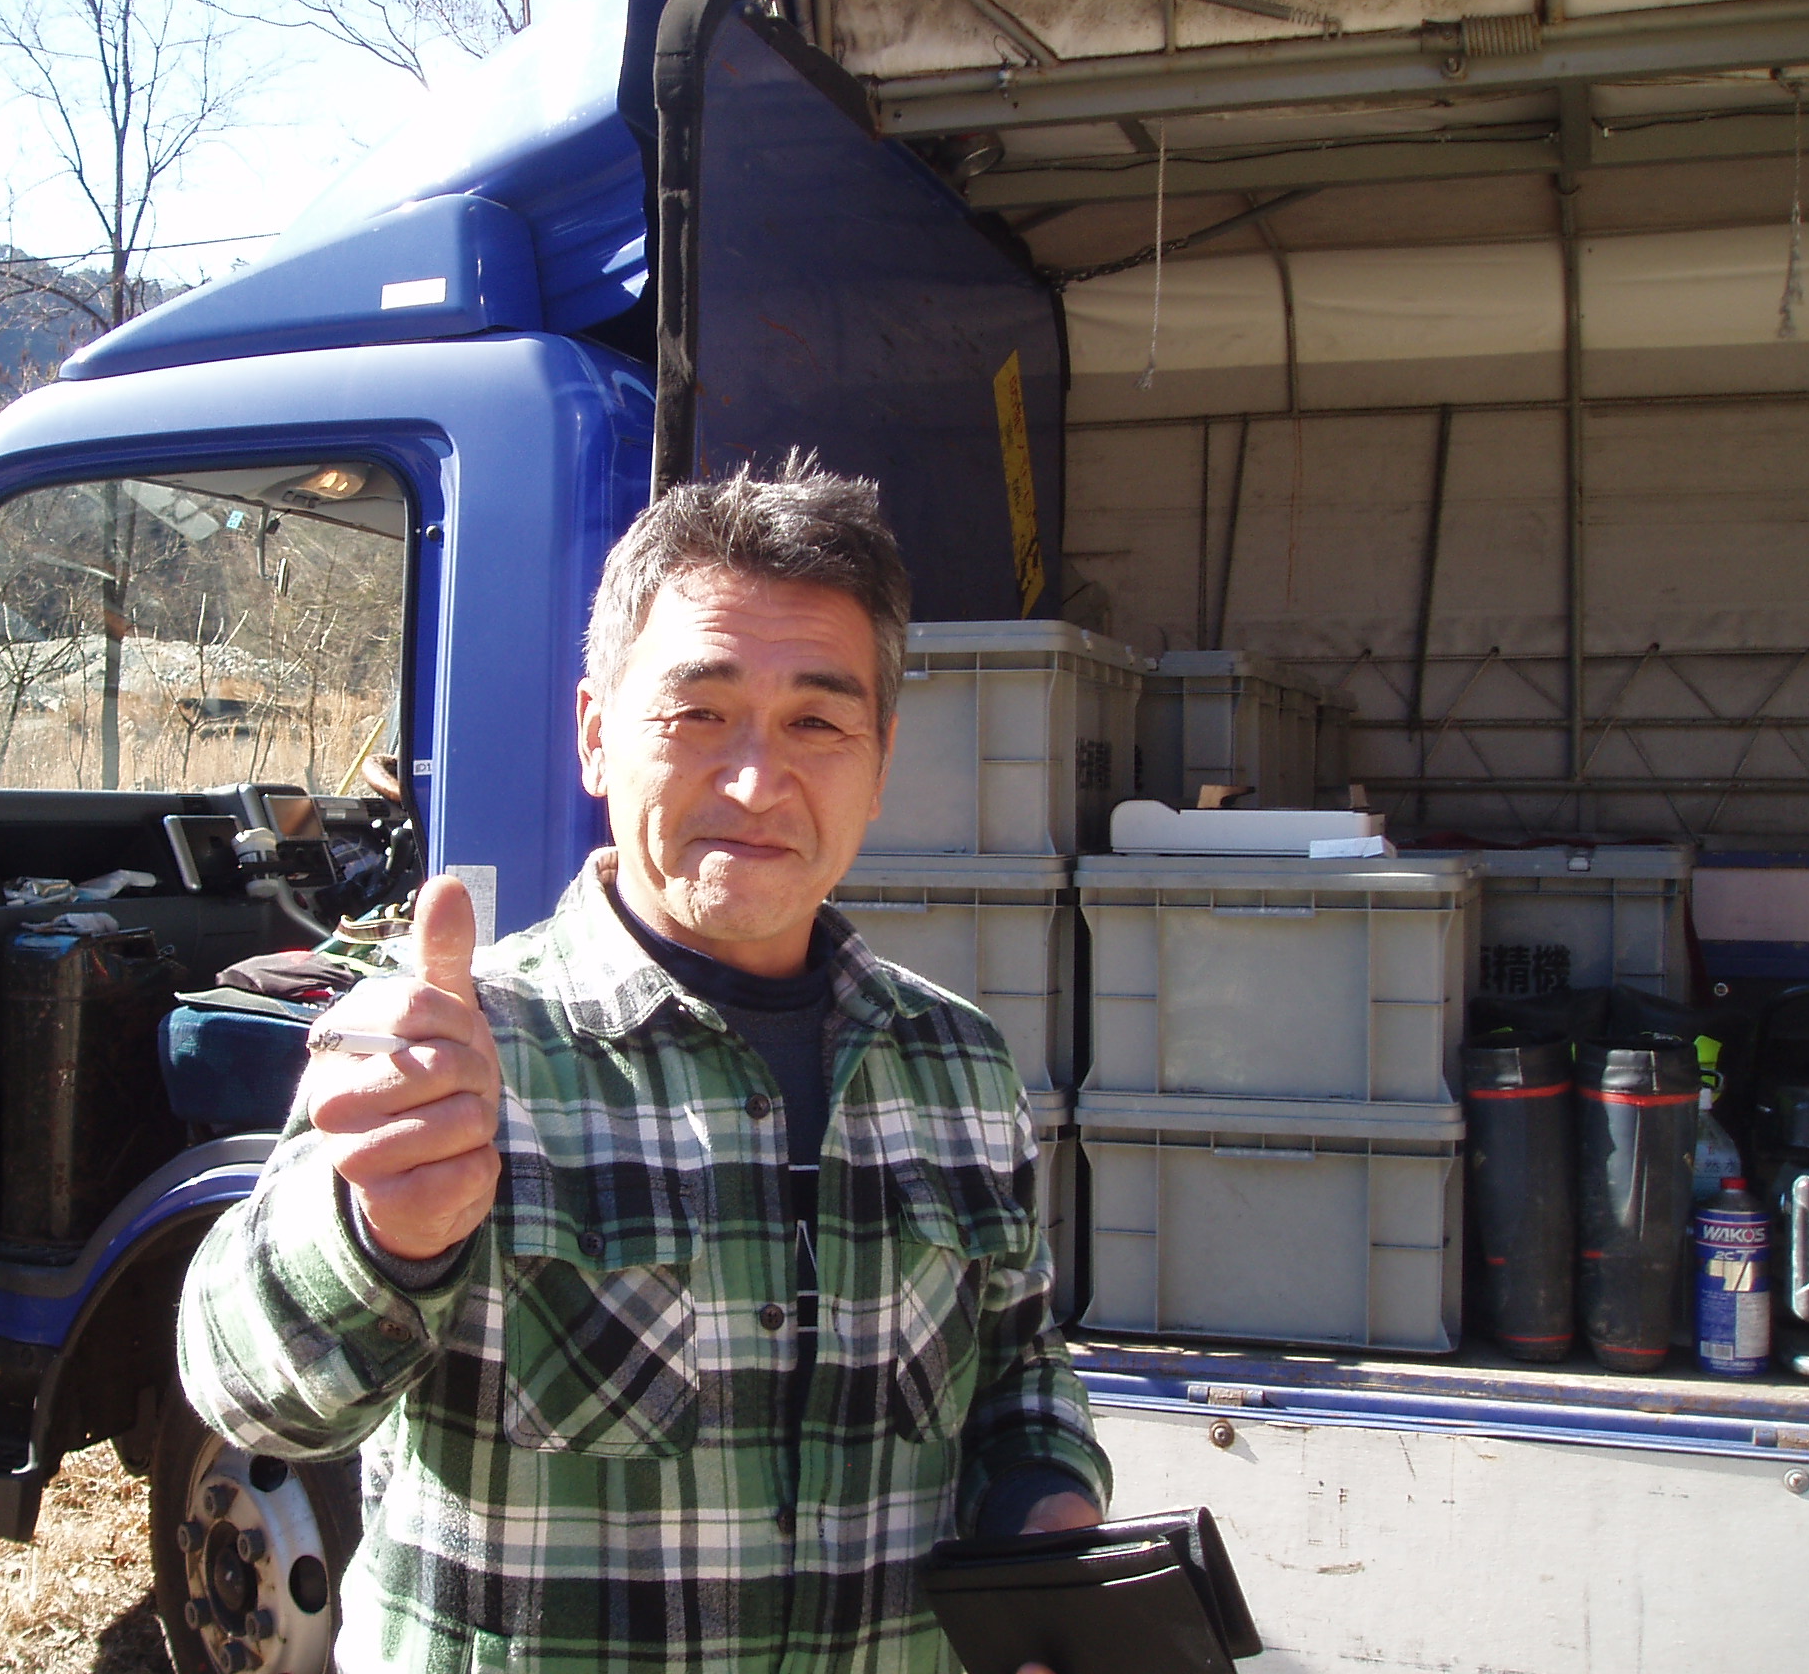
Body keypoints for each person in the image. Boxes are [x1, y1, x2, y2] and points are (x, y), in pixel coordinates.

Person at [177, 458, 1111, 1673]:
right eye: (696, 712)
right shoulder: (454, 1052)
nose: (755, 780)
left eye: (816, 722)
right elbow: (246, 1389)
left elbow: (1018, 1368)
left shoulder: (958, 1066)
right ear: (595, 735)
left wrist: (1046, 1520)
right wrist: (379, 1238)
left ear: (879, 762)